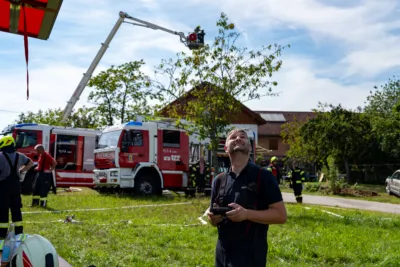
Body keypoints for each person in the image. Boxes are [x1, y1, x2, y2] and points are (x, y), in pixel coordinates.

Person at [207, 128, 287, 267]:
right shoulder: (219, 180)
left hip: (251, 257)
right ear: (226, 148)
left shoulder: (263, 176)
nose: (238, 138)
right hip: (222, 257)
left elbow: (281, 215)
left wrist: (247, 214)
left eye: (243, 137)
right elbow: (214, 221)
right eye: (233, 137)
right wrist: (212, 218)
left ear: (250, 148)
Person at [0, 136, 33, 239]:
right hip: (16, 187)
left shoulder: (0, 156)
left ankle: (1, 236)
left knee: (2, 211)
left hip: (3, 187)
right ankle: (19, 235)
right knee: (16, 210)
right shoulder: (20, 155)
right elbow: (30, 163)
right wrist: (21, 170)